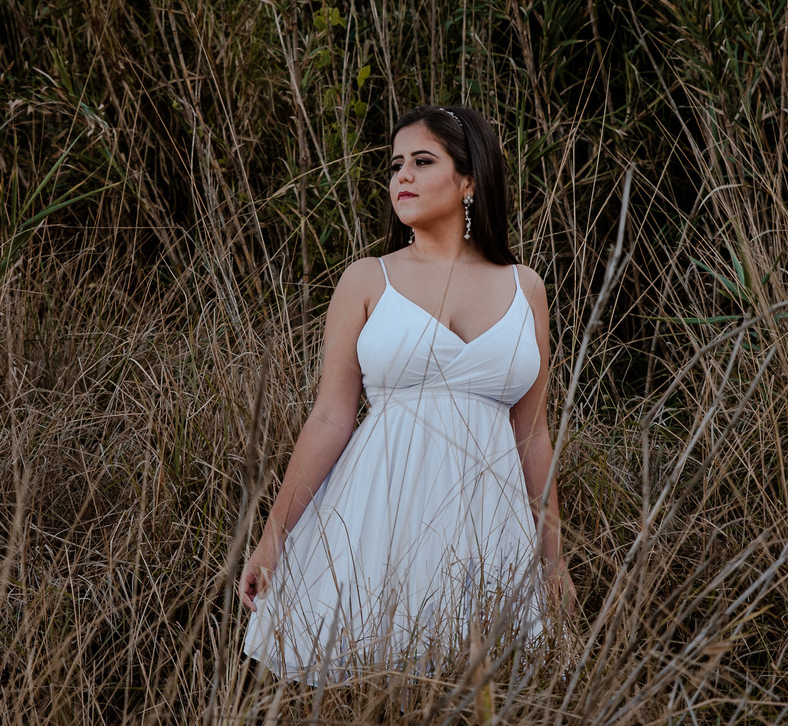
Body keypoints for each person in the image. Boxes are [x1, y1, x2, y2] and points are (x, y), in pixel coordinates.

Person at [239, 104, 575, 686]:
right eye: (396, 165)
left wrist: (554, 559)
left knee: (481, 701)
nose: (403, 177)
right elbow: (328, 418)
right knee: (372, 695)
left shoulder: (527, 288)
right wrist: (273, 540)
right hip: (379, 515)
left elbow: (533, 433)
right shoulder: (368, 279)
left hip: (488, 524)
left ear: (469, 180)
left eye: (423, 161)